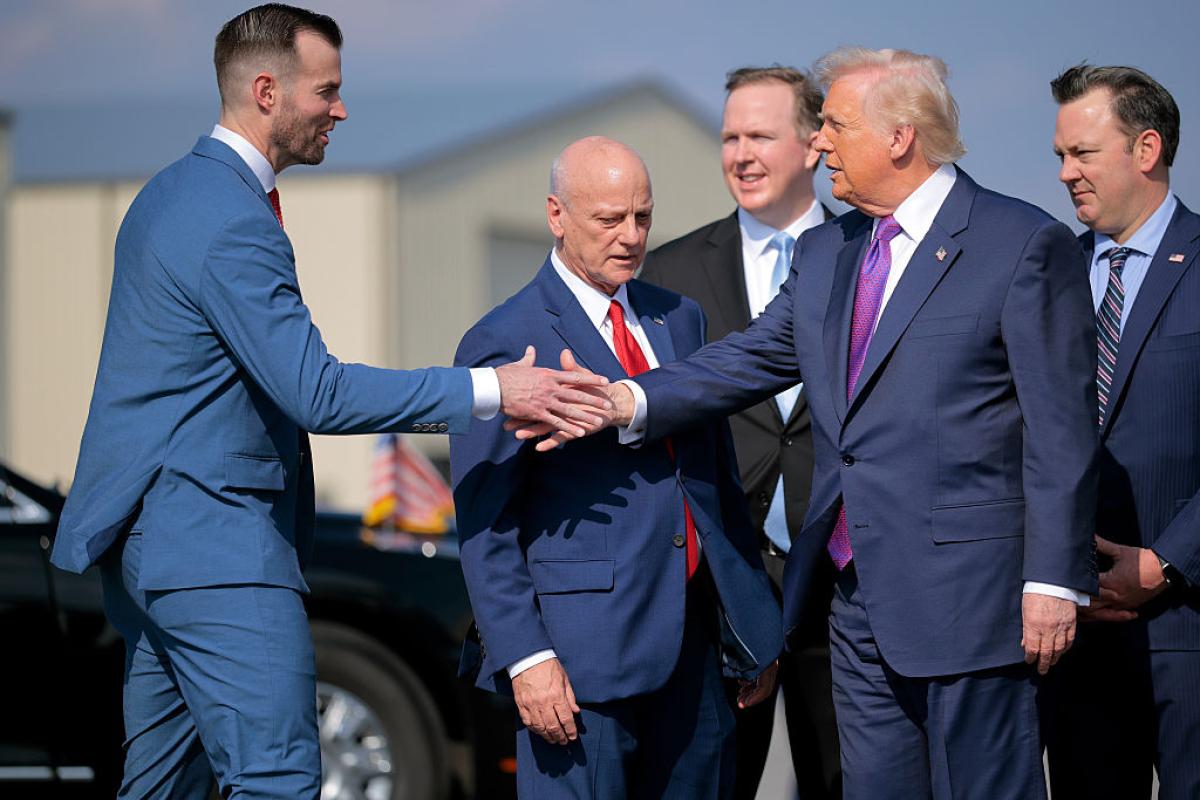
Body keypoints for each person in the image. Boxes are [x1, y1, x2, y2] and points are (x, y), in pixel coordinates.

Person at [49, 5, 606, 798]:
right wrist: (493, 388)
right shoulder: (230, 220)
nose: (341, 110)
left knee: (162, 788)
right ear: (268, 91)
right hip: (216, 548)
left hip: (152, 550)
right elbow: (317, 390)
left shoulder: (171, 194)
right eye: (328, 90)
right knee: (277, 781)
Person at [523, 47, 1101, 799]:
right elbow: (751, 356)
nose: (820, 141)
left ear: (898, 137)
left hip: (976, 606)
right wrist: (623, 399)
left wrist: (1055, 578)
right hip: (853, 606)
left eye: (834, 125)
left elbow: (1061, 430)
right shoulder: (829, 251)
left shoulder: (1019, 242)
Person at [451, 136, 783, 798]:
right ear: (557, 214)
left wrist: (751, 625)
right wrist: (527, 659)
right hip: (578, 666)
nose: (631, 236)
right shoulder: (503, 339)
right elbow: (487, 523)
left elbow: (712, 477)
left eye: (643, 216)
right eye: (609, 219)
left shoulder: (680, 319)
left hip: (697, 657)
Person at [639, 65, 841, 800]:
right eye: (729, 136)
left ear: (816, 144)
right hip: (723, 586)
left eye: (760, 134)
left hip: (843, 584)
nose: (741, 154)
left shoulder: (870, 258)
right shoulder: (667, 274)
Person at [1041, 63, 1200, 800]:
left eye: (1083, 153)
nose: (1067, 173)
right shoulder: (1049, 277)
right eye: (1060, 157)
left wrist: (1166, 562)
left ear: (1146, 149)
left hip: (1189, 624)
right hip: (1077, 638)